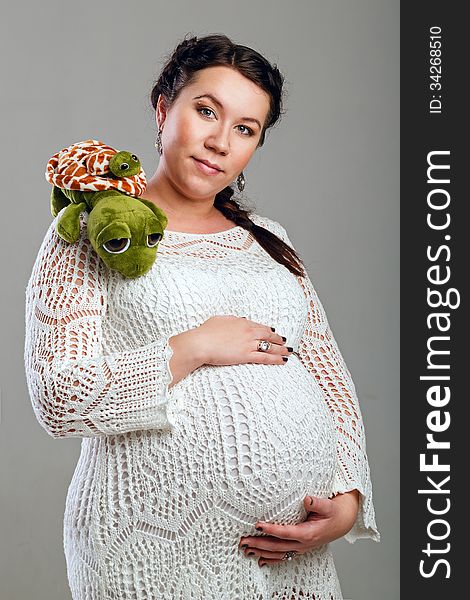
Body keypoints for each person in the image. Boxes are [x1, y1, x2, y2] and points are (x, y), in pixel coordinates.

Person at [24, 33, 379, 600]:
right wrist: (190, 347)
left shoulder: (271, 242)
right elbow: (58, 398)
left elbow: (329, 379)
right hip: (147, 547)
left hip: (289, 557)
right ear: (163, 109)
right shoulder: (100, 232)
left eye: (245, 129)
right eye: (206, 111)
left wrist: (349, 499)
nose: (219, 142)